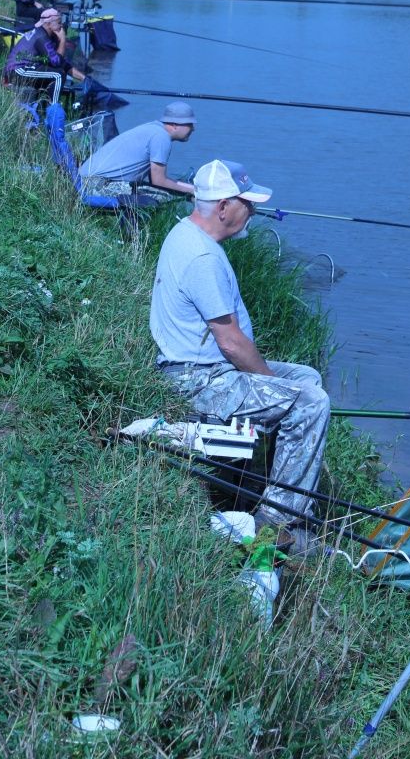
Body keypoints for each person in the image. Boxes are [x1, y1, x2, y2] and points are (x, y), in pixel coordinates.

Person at [149, 158, 330, 541]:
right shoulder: (201, 257)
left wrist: (276, 385)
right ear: (224, 206)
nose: (254, 211)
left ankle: (255, 481)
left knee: (307, 378)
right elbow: (230, 343)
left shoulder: (190, 236)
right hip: (197, 380)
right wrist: (270, 385)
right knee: (309, 403)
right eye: (248, 203)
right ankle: (280, 521)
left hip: (206, 368)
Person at [81, 101, 196, 193]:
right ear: (175, 125)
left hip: (86, 180)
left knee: (172, 191)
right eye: (189, 124)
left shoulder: (154, 129)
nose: (193, 129)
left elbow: (155, 179)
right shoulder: (162, 137)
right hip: (94, 184)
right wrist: (194, 191)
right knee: (166, 196)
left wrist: (190, 188)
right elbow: (159, 181)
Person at [3, 8, 85, 84]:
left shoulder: (48, 35)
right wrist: (63, 40)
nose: (61, 26)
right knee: (58, 75)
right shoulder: (41, 37)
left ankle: (47, 99)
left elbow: (62, 63)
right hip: (17, 70)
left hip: (27, 68)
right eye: (59, 23)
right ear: (49, 24)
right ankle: (54, 100)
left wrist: (84, 78)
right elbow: (56, 62)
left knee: (56, 72)